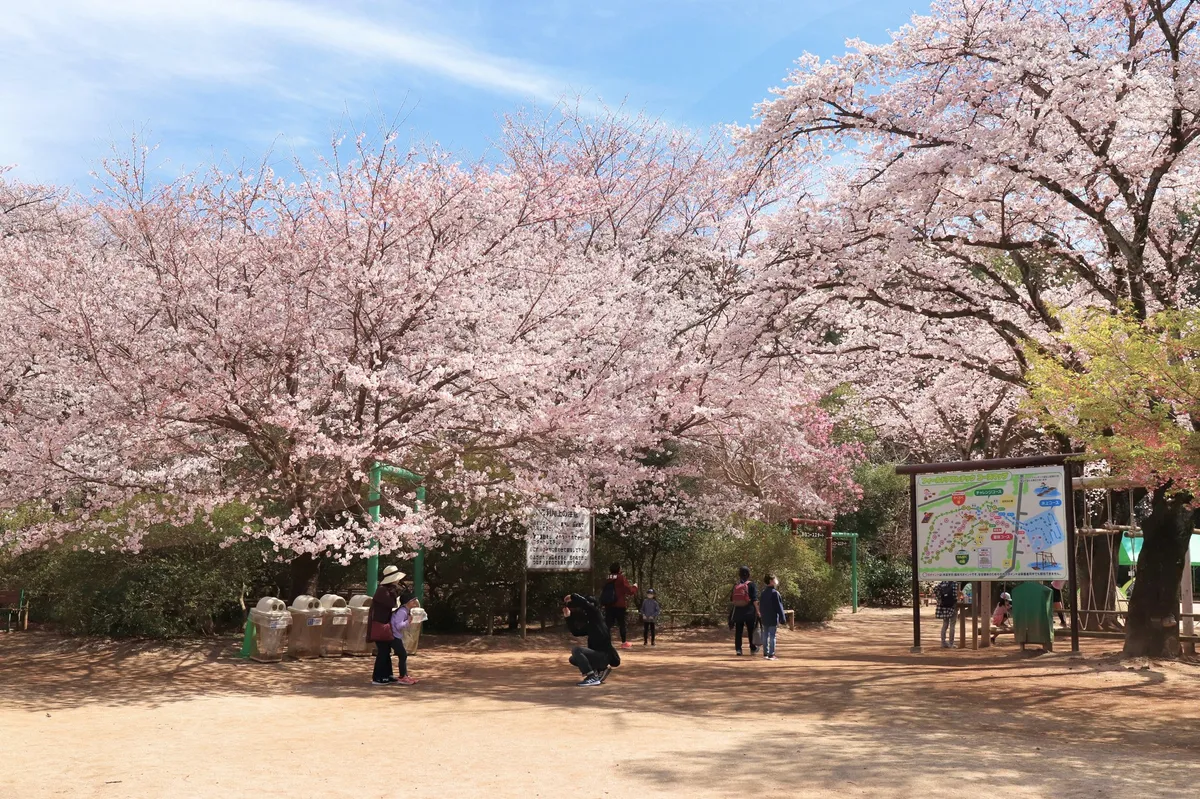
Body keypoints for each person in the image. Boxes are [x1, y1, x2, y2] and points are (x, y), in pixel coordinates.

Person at [563, 592, 621, 686]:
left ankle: (591, 677)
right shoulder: (591, 624)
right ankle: (600, 670)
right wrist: (568, 618)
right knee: (573, 659)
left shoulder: (597, 616)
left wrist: (572, 596)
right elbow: (576, 632)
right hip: (598, 656)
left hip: (604, 656)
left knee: (577, 650)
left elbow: (586, 604)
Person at [369, 565, 404, 685]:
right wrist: (395, 593)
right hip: (380, 624)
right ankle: (378, 677)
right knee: (383, 651)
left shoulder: (387, 590)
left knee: (386, 650)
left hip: (385, 624)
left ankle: (387, 674)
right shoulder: (382, 590)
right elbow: (391, 604)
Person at [600, 562, 638, 649]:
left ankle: (605, 643)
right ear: (618, 569)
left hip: (609, 604)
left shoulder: (607, 577)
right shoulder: (621, 578)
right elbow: (629, 591)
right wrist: (635, 587)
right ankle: (624, 643)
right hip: (619, 605)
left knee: (608, 625)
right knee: (621, 624)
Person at [388, 591, 420, 685]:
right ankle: (403, 676)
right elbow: (398, 626)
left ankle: (404, 675)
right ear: (407, 602)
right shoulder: (402, 611)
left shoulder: (405, 610)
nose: (414, 602)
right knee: (403, 655)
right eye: (412, 600)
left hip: (396, 635)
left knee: (402, 655)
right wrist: (408, 621)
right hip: (393, 635)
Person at [730, 565, 759, 656]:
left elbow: (732, 599)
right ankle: (752, 648)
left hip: (738, 611)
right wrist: (758, 611)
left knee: (738, 631)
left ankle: (738, 649)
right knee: (751, 630)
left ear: (739, 574)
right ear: (749, 574)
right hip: (749, 611)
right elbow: (754, 599)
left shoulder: (736, 585)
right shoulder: (751, 584)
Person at [758, 574, 786, 660]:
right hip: (772, 616)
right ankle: (771, 654)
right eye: (774, 579)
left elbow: (761, 605)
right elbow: (779, 606)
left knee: (765, 635)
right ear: (771, 581)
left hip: (765, 617)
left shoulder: (763, 593)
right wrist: (782, 618)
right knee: (772, 635)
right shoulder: (775, 593)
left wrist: (761, 614)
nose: (776, 580)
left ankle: (765, 653)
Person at [934, 579, 959, 649]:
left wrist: (939, 600)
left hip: (944, 606)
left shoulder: (941, 583)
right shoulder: (954, 583)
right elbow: (956, 595)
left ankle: (943, 642)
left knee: (945, 624)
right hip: (952, 606)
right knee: (952, 625)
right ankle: (951, 643)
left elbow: (935, 590)